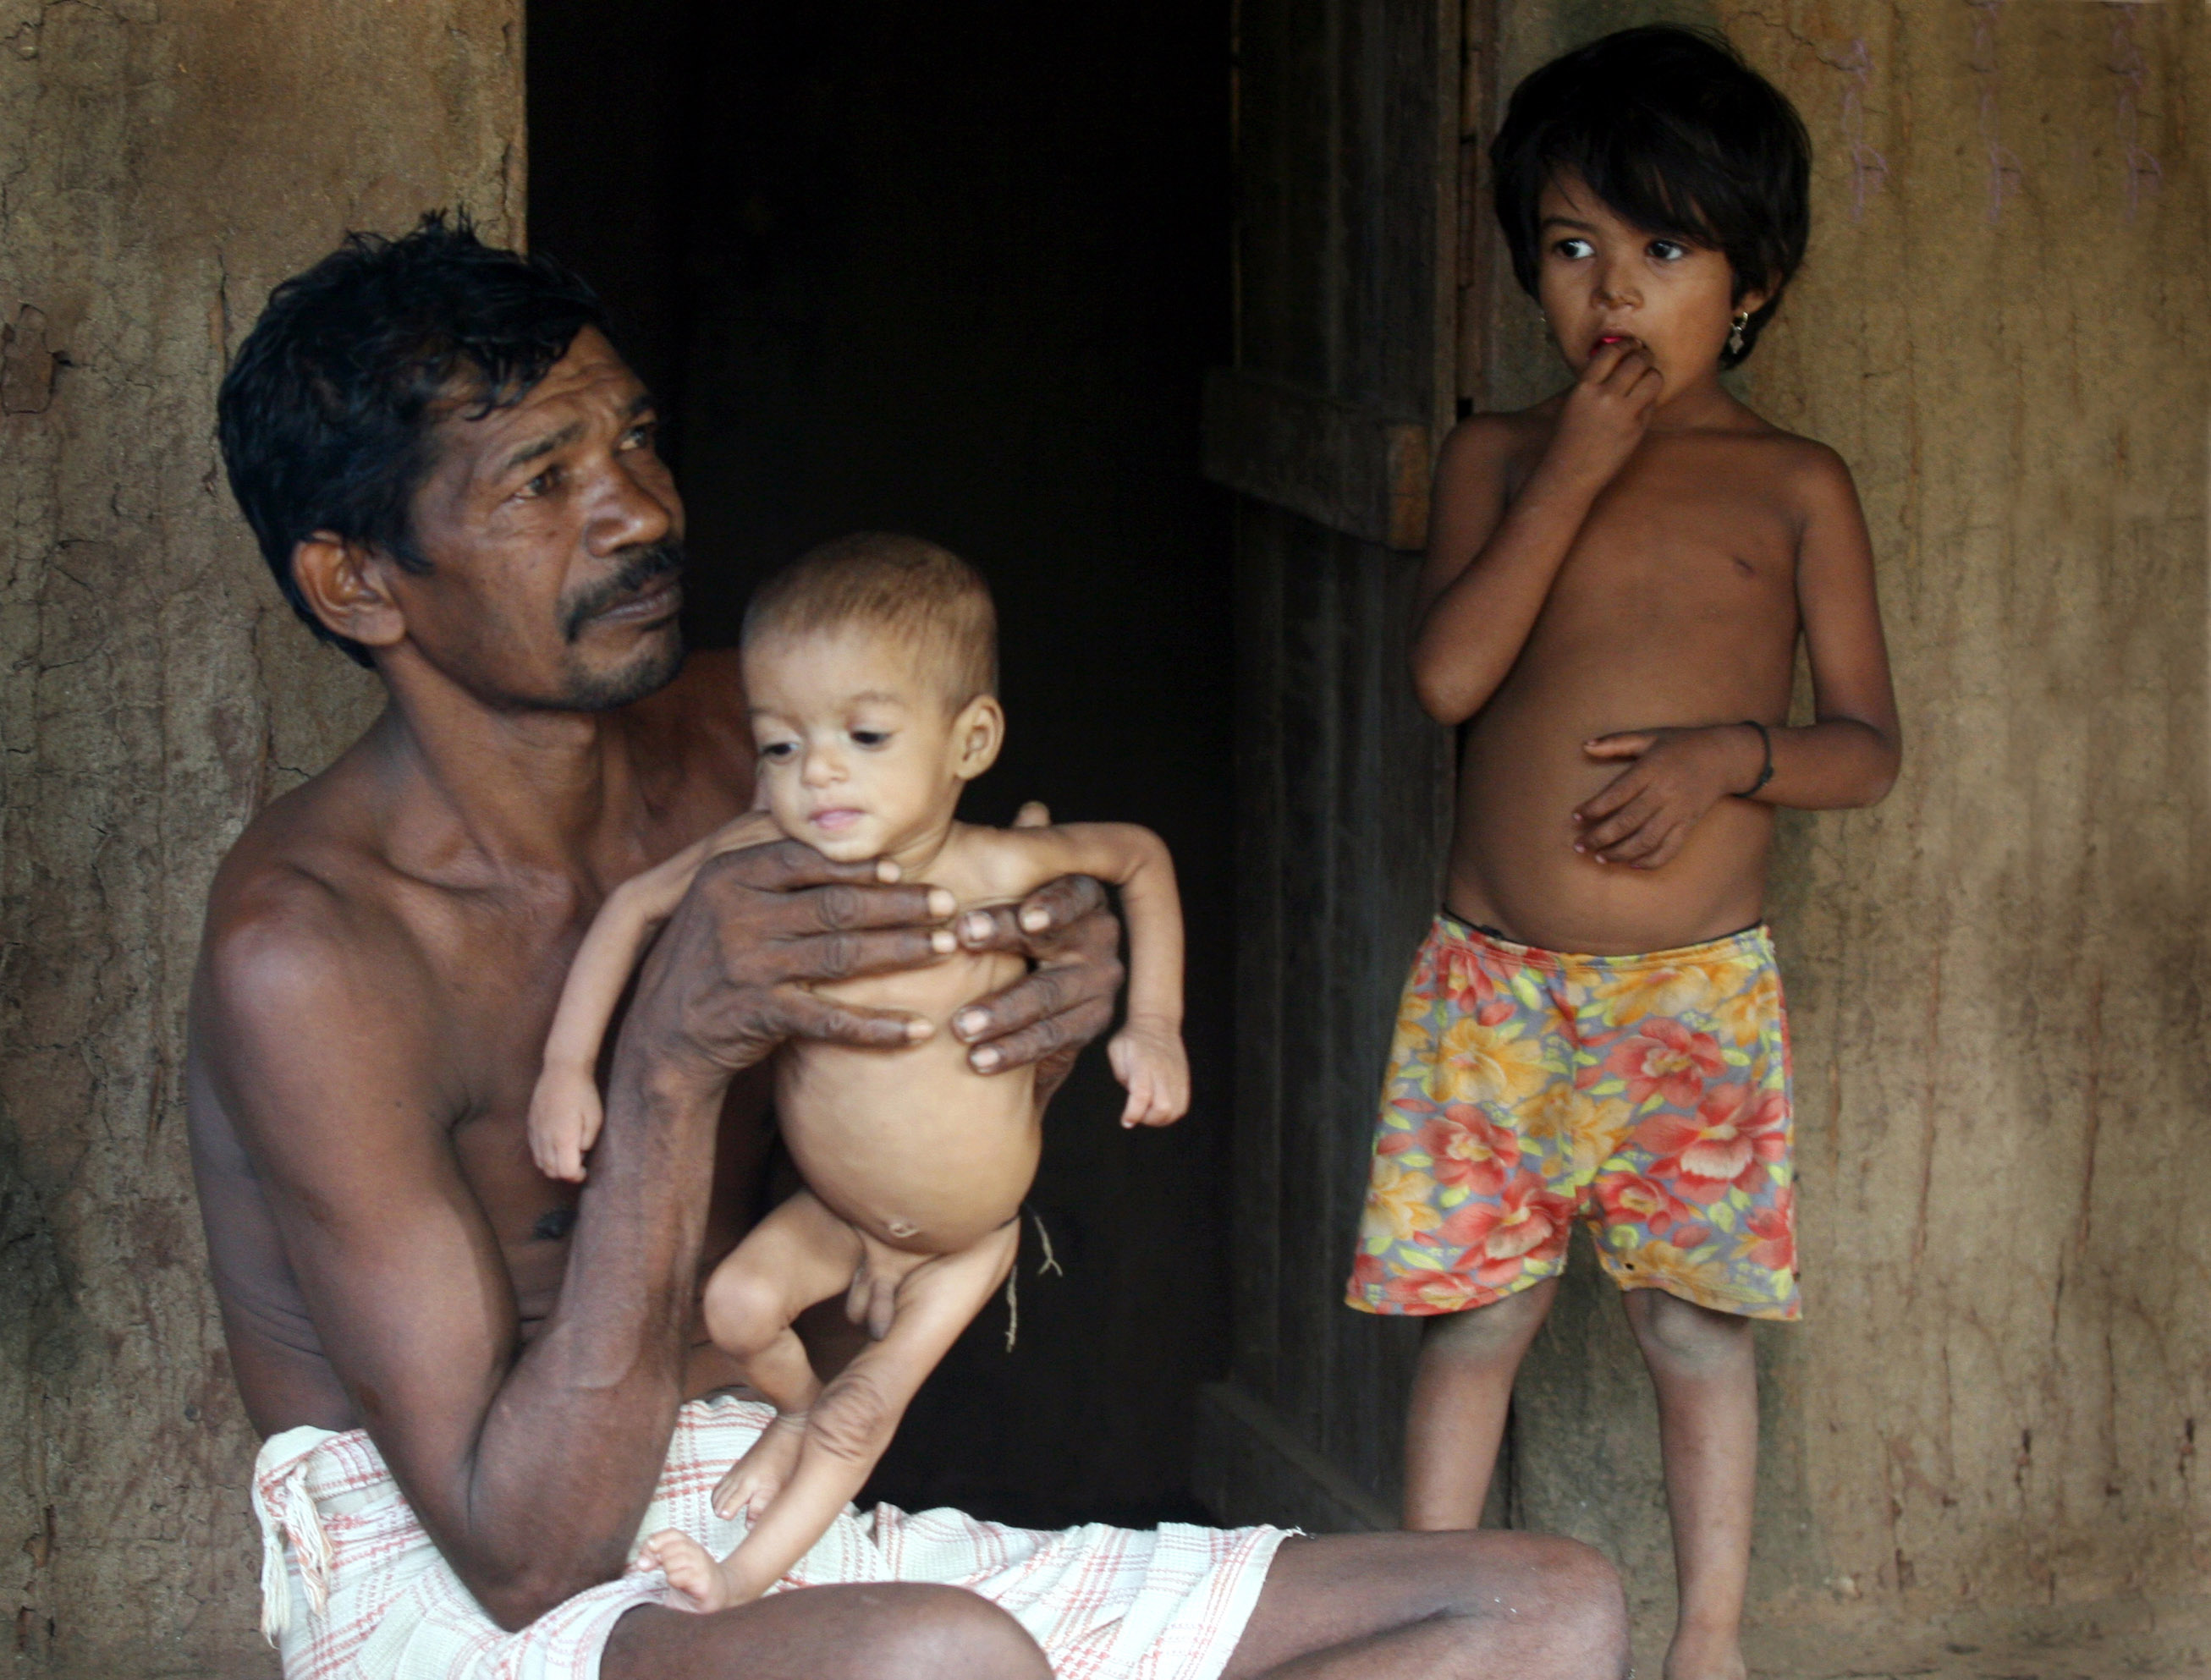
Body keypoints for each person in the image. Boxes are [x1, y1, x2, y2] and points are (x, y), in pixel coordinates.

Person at [189, 213, 1630, 1680]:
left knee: (1537, 1614)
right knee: (933, 1663)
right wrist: (670, 1061)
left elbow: (911, 1174)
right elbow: (520, 1553)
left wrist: (1031, 1011)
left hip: (764, 1510)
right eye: (544, 484)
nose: (634, 510)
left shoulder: (752, 753)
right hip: (454, 1592)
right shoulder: (313, 951)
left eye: (632, 442)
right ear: (357, 583)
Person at [1345, 26, 1900, 1680]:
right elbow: (1448, 679)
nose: (1611, 292)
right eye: (1574, 246)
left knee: (1691, 1327)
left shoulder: (1792, 485)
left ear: (1749, 279)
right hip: (1490, 989)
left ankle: (1705, 1646)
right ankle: (1425, 1626)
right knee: (1478, 1323)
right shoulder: (1500, 457)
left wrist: (1731, 755)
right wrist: (1571, 472)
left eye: (1661, 250)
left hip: (1690, 1000)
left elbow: (1866, 750)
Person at [527, 531, 1192, 1607]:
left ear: (970, 739)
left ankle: (734, 1580)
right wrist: (570, 1067)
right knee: (740, 1308)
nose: (818, 771)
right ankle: (785, 1413)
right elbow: (635, 906)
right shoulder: (762, 862)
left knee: (860, 1410)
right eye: (781, 746)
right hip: (839, 1214)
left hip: (963, 1236)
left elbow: (1141, 859)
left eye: (866, 735)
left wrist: (1151, 1024)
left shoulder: (999, 865)